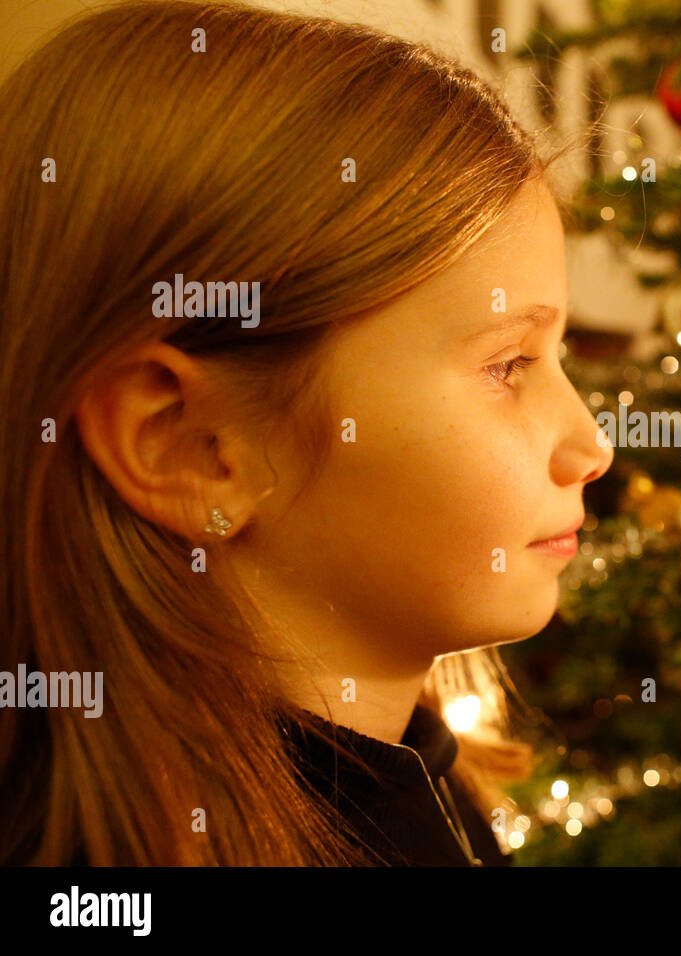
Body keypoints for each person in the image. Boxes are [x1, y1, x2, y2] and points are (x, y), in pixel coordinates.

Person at [0, 0, 613, 865]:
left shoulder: (423, 783)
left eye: (559, 356)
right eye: (509, 365)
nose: (592, 447)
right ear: (191, 447)